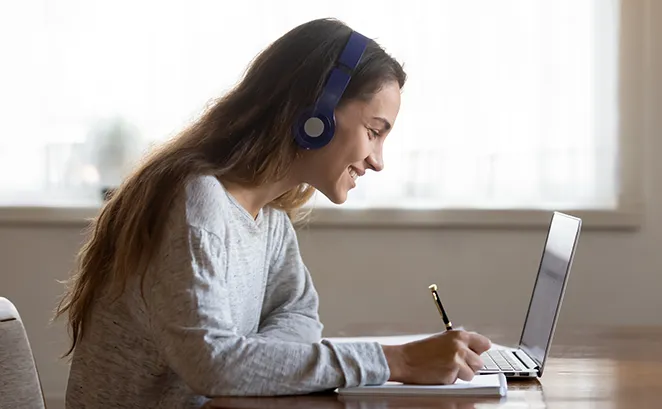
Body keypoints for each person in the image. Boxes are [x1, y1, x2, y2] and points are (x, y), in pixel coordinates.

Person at [54, 18, 491, 409]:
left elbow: (300, 317)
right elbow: (213, 364)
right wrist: (395, 360)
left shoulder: (270, 217)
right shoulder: (197, 201)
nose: (378, 160)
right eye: (374, 132)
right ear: (315, 113)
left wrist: (249, 364)